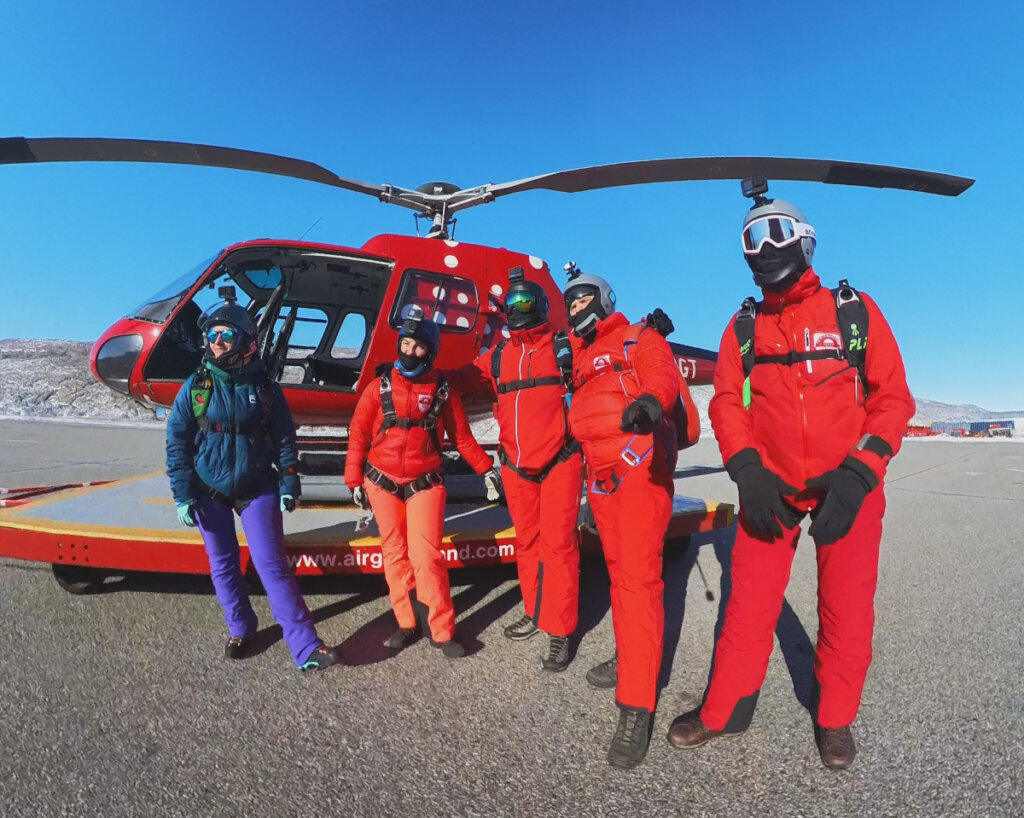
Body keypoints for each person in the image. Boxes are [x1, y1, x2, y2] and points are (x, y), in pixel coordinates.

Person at [666, 193, 914, 769]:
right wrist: (747, 471)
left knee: (847, 608)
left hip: (846, 487)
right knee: (748, 604)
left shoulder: (854, 312)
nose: (766, 246)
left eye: (777, 231)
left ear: (805, 239)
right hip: (770, 488)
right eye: (752, 238)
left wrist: (860, 473)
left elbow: (893, 400)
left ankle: (835, 717)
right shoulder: (744, 327)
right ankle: (726, 709)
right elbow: (726, 404)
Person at [166, 291, 339, 672]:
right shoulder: (196, 387)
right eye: (212, 335)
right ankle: (240, 628)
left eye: (225, 335)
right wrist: (182, 493)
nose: (217, 342)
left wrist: (289, 484)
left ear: (245, 340)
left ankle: (305, 646)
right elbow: (177, 440)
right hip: (208, 488)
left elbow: (284, 439)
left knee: (271, 565)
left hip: (258, 485)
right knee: (222, 564)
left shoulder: (265, 389)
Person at [562, 267, 684, 769]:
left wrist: (652, 403)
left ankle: (637, 704)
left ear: (605, 300)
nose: (576, 308)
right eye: (570, 303)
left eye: (583, 299)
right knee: (620, 580)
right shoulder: (581, 358)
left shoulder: (638, 336)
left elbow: (660, 375)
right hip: (602, 480)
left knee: (636, 583)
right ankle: (633, 655)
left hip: (638, 471)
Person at [445, 267, 584, 673]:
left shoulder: (565, 345)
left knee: (559, 546)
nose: (518, 308)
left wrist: (644, 335)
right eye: (512, 302)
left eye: (525, 301)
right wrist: (411, 368)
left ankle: (559, 628)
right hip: (517, 466)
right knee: (527, 543)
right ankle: (535, 610)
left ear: (540, 305)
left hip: (561, 460)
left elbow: (605, 353)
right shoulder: (499, 355)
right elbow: (458, 381)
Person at [344, 305, 500, 658]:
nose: (410, 351)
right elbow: (358, 433)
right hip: (381, 481)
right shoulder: (379, 387)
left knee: (426, 556)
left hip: (425, 482)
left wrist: (486, 469)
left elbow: (462, 438)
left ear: (431, 351)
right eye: (406, 344)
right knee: (395, 554)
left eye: (418, 346)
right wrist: (353, 478)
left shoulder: (443, 391)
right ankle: (407, 622)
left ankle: (441, 630)